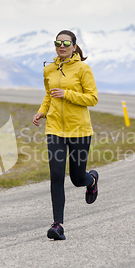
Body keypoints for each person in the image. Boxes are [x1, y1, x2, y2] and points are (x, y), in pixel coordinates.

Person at [32, 30, 99, 241]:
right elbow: (48, 95)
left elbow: (92, 98)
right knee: (57, 175)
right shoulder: (49, 69)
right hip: (54, 130)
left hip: (79, 130)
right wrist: (42, 111)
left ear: (74, 46)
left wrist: (67, 94)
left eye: (66, 43)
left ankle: (91, 181)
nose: (62, 46)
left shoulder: (83, 69)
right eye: (58, 43)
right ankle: (57, 225)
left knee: (77, 178)